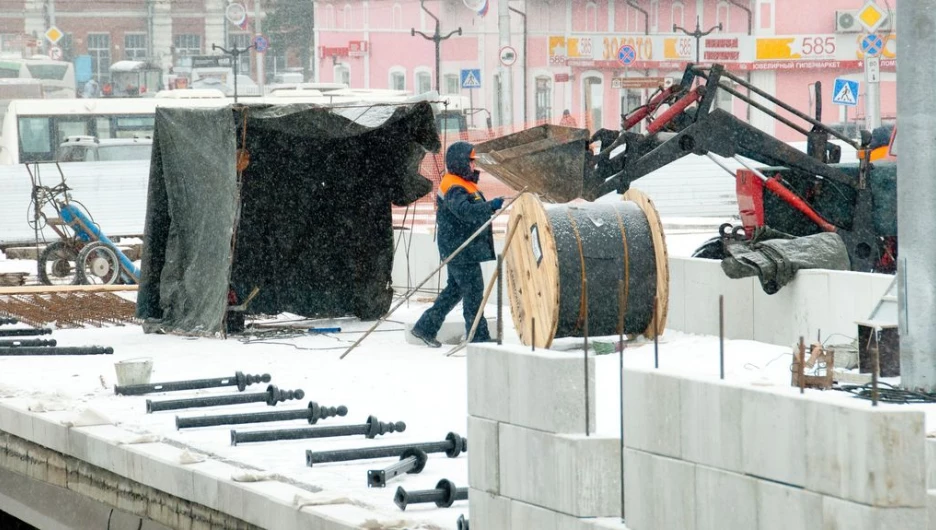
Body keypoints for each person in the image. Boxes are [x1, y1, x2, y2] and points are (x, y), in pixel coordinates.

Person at [410, 141, 505, 348]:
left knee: (455, 290)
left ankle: (425, 328)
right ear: (460, 162)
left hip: (462, 247)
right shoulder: (453, 186)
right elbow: (464, 211)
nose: (473, 165)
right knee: (473, 291)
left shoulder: (462, 183)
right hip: (460, 249)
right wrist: (490, 206)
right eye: (470, 161)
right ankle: (477, 336)